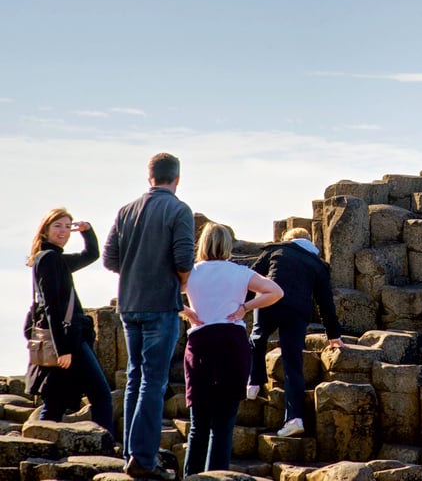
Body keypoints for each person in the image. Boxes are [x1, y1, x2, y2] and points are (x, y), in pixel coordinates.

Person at [103, 152, 195, 481]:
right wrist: (179, 281)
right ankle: (143, 458)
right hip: (160, 305)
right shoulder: (179, 210)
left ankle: (132, 451)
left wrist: (135, 272)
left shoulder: (125, 211)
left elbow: (109, 259)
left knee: (134, 379)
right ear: (177, 179)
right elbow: (184, 258)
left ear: (149, 177)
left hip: (129, 304)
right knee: (152, 383)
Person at [180, 223, 283, 474]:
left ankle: (192, 477)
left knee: (199, 425)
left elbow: (160, 294)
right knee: (224, 425)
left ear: (202, 244)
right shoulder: (240, 272)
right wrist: (246, 307)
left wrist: (185, 311)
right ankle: (217, 476)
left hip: (201, 342)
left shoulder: (190, 272)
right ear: (228, 245)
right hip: (232, 342)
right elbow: (276, 291)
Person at [24, 209, 114, 436]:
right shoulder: (51, 259)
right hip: (68, 342)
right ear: (45, 230)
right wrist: (63, 349)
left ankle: (39, 446)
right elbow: (53, 307)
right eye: (57, 226)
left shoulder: (53, 259)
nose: (64, 230)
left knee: (54, 403)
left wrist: (87, 231)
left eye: (67, 226)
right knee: (101, 395)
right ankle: (105, 449)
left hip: (65, 340)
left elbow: (91, 255)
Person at [248, 227, 343, 437]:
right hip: (298, 312)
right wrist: (334, 335)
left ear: (287, 239)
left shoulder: (276, 250)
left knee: (257, 337)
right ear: (308, 242)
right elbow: (325, 302)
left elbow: (250, 276)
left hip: (270, 302)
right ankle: (295, 418)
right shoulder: (317, 264)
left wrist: (239, 305)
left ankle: (254, 382)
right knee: (293, 364)